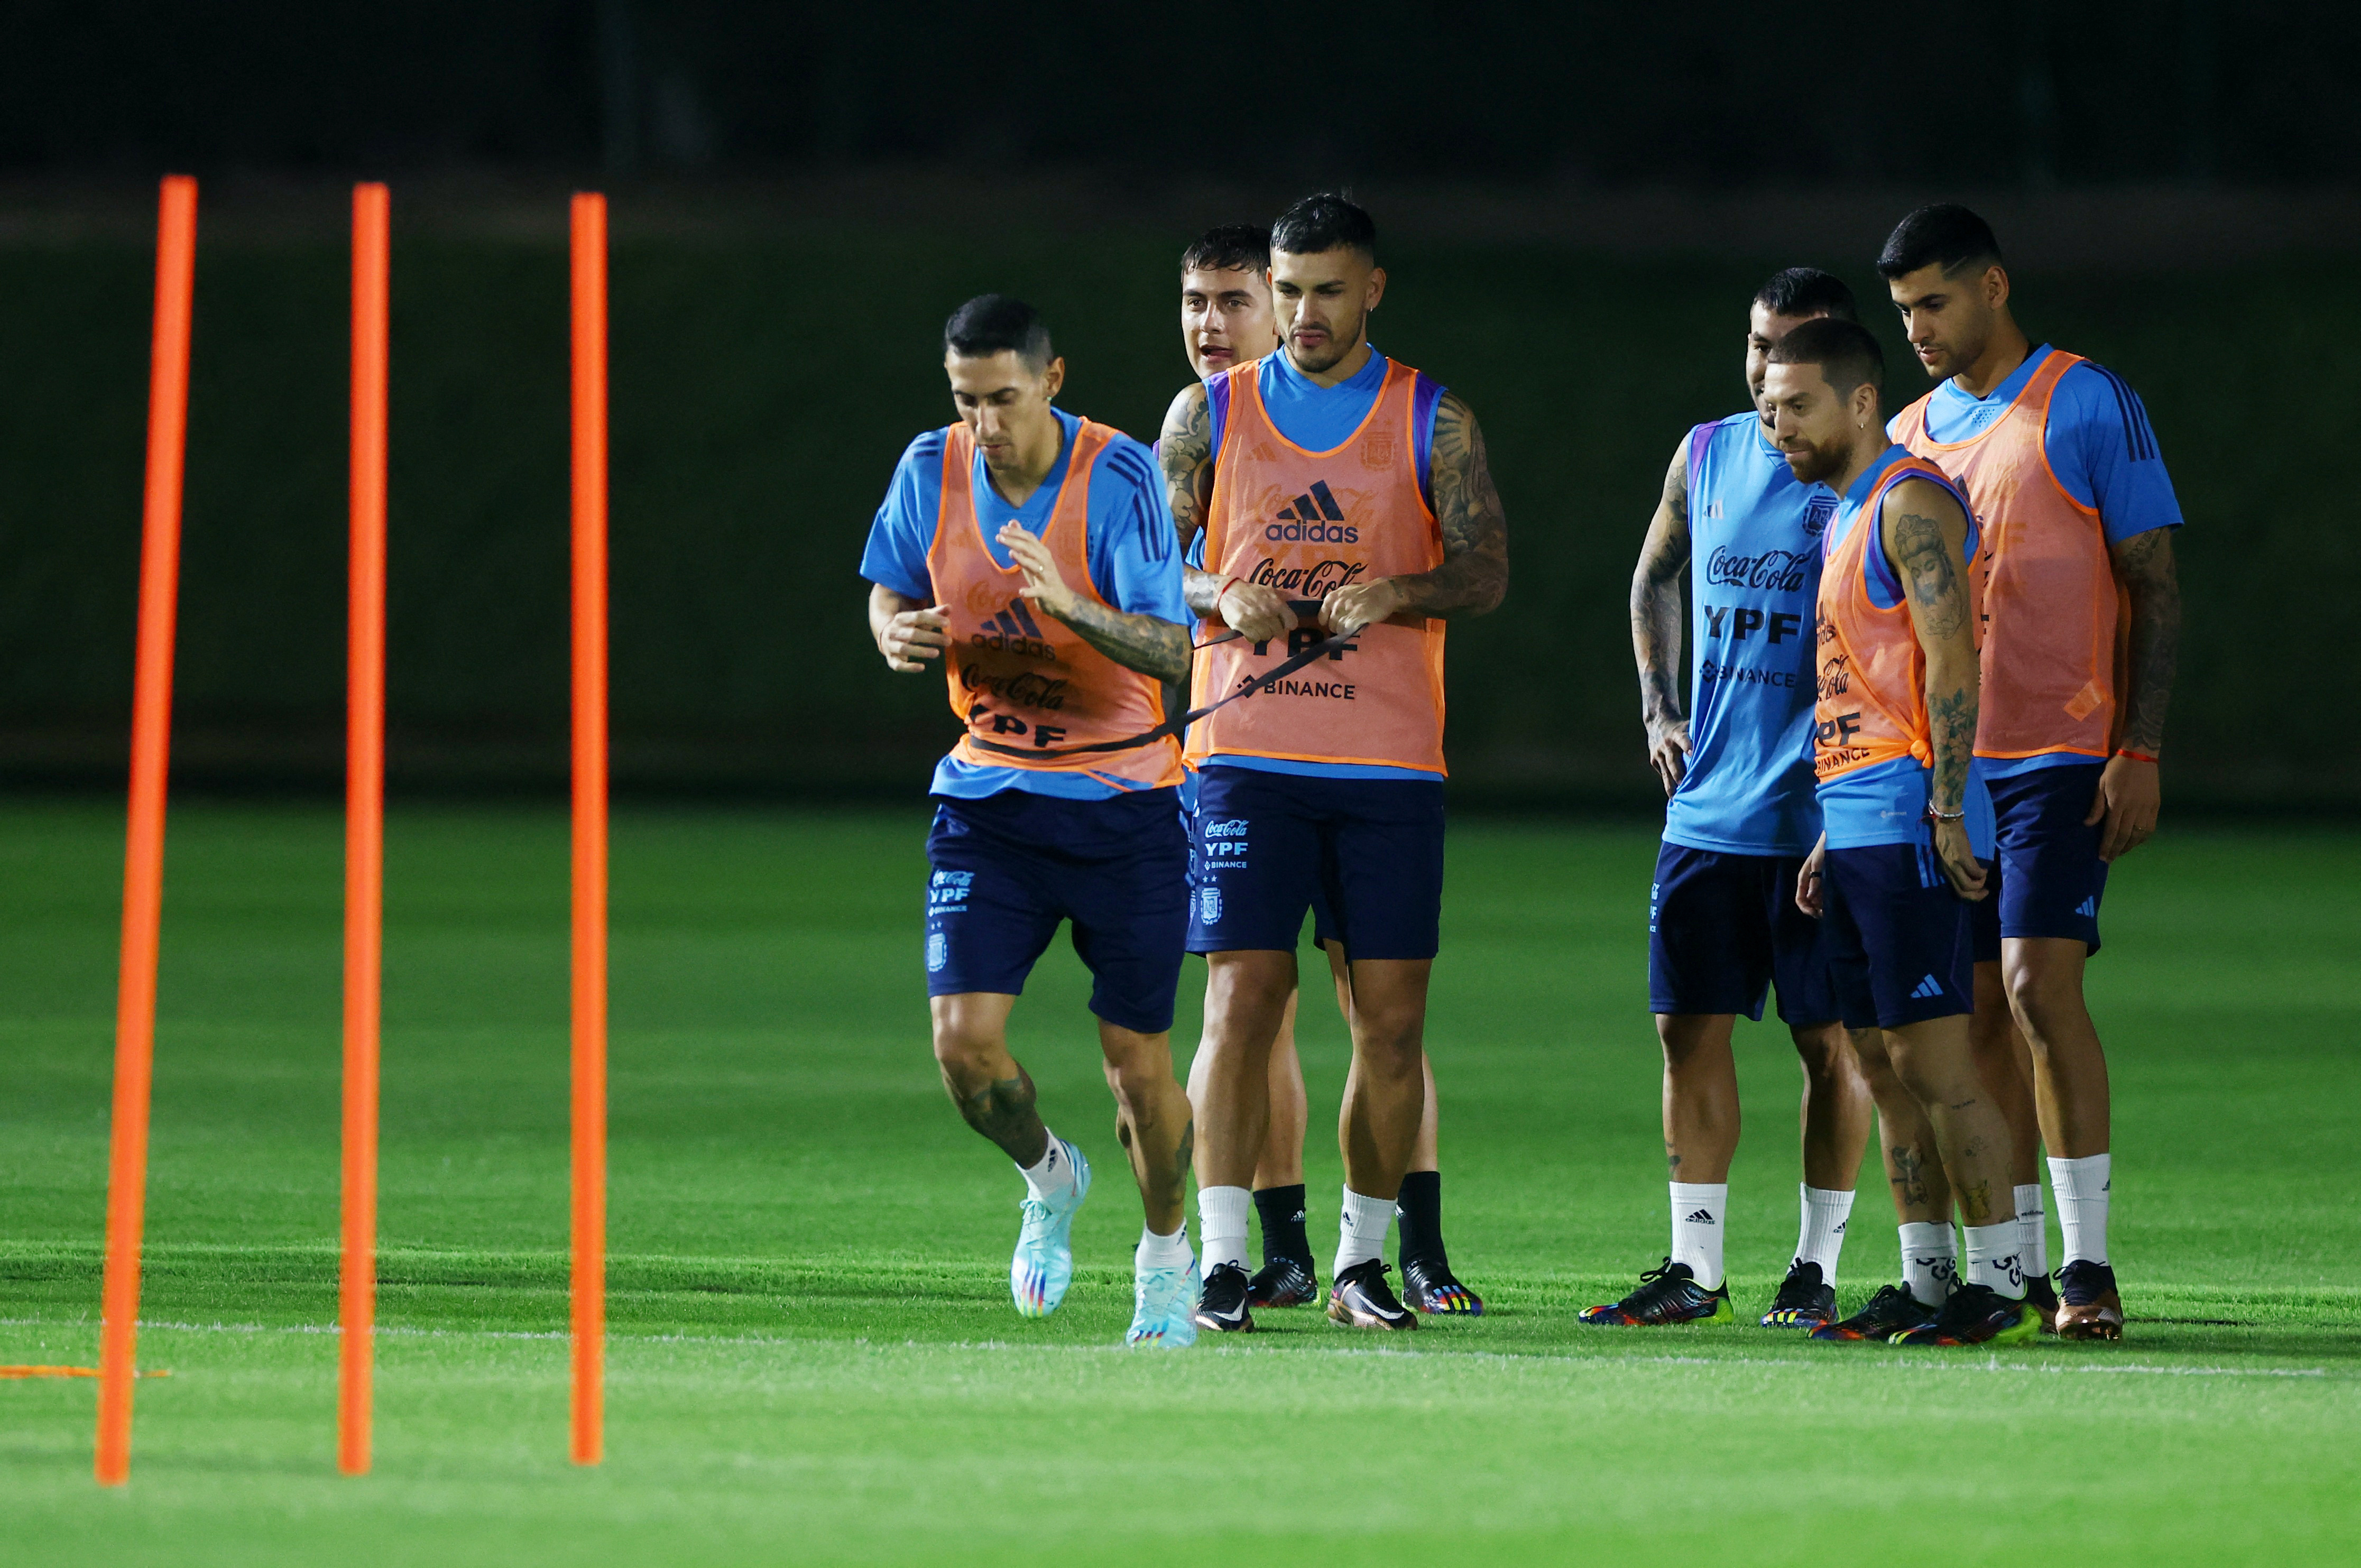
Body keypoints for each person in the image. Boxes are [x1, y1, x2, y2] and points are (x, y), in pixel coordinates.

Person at [1159, 193, 1507, 1333]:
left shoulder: (1431, 419)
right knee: (1240, 1002)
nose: (1304, 313)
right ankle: (1222, 1260)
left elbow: (1486, 570)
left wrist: (1399, 589)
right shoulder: (1206, 414)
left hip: (1388, 764)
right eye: (1289, 289)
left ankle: (1361, 1261)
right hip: (1247, 750)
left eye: (1327, 290)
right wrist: (1220, 589)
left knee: (1390, 1024)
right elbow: (1145, 568)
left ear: (1373, 290)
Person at [860, 294, 1202, 1349]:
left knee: (1135, 1065)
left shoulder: (1121, 475)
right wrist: (893, 631)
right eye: (967, 402)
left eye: (1003, 399)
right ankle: (1049, 1180)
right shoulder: (931, 468)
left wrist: (1069, 607)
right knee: (964, 1050)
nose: (984, 424)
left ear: (1052, 382)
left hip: (1125, 806)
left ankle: (1164, 1258)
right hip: (988, 802)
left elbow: (1176, 652)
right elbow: (884, 590)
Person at [1880, 205, 2184, 1341]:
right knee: (1968, 1016)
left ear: (1993, 286)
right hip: (1943, 768)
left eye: (1934, 303)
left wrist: (2138, 748)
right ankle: (2007, 1267)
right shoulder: (1906, 433)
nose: (1916, 327)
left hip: (2060, 748)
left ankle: (2087, 1266)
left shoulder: (2084, 401)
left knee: (2034, 987)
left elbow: (2152, 581)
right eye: (1903, 309)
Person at [1587, 269, 1876, 1332]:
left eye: (1788, 349)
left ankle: (1812, 1265)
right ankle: (1694, 1268)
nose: (1765, 369)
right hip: (1707, 811)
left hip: (1821, 814)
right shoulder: (1705, 452)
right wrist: (1660, 708)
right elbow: (1652, 574)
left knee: (1828, 1043)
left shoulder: (1865, 480)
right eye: (1754, 344)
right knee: (1685, 1030)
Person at [1764, 316, 2041, 1348]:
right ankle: (1925, 1281)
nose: (1776, 422)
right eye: (1768, 405)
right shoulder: (1841, 516)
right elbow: (1867, 688)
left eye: (1798, 405)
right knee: (1879, 1062)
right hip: (1857, 822)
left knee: (1937, 1062)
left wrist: (1946, 806)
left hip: (1911, 819)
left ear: (1859, 402)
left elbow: (1952, 661)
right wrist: (1832, 833)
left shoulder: (1909, 501)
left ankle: (2001, 1278)